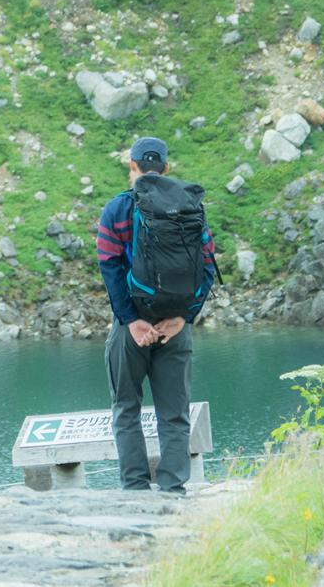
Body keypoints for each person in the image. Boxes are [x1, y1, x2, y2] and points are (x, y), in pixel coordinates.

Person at [96, 137, 217, 494]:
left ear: (132, 166)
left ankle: (135, 489)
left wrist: (130, 320)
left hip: (131, 327)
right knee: (174, 413)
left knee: (126, 408)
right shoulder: (190, 207)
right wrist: (184, 318)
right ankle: (173, 488)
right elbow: (207, 266)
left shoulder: (117, 208)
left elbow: (109, 266)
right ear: (166, 167)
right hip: (174, 327)